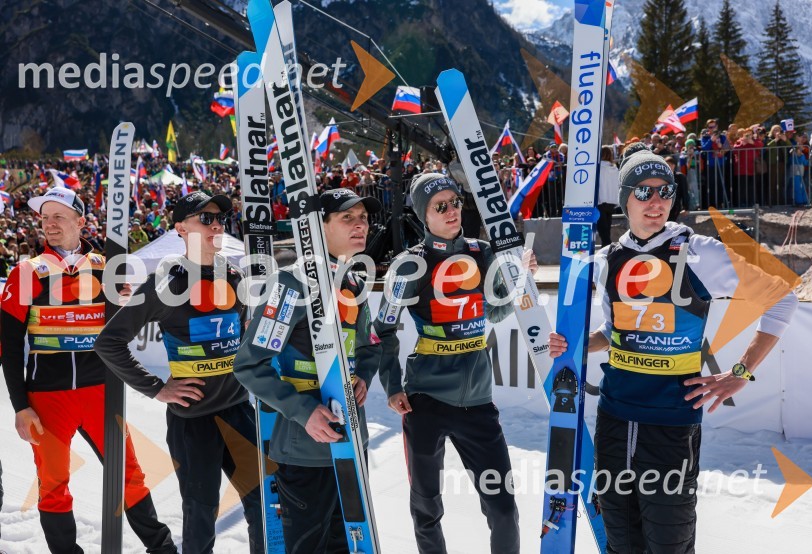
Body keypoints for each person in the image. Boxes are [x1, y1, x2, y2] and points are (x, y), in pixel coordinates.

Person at [548, 150, 797, 553]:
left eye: (665, 191)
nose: (656, 201)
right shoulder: (606, 260)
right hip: (613, 421)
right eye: (643, 192)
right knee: (620, 543)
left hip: (671, 426)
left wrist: (741, 372)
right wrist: (573, 344)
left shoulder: (700, 252)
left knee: (669, 544)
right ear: (625, 198)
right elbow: (614, 333)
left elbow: (783, 300)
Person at [1, 187, 176, 554]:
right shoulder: (26, 272)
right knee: (52, 484)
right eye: (45, 217)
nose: (49, 224)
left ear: (80, 221)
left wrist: (125, 304)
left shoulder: (105, 266)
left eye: (58, 216)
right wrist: (20, 406)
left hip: (101, 390)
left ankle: (161, 549)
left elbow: (124, 328)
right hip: (48, 398)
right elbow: (9, 346)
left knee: (129, 474)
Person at [374, 173, 537, 554]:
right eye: (440, 206)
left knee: (503, 508)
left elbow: (492, 314)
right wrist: (393, 385)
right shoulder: (409, 265)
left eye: (454, 202)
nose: (451, 211)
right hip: (425, 400)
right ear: (423, 215)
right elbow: (382, 328)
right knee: (426, 507)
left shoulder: (483, 253)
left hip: (478, 402)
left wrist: (518, 278)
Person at [94, 190, 264, 553]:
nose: (216, 224)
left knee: (263, 507)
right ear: (180, 229)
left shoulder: (235, 276)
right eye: (205, 218)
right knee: (201, 517)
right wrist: (157, 389)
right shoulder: (164, 282)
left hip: (238, 412)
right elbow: (109, 342)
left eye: (220, 218)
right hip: (193, 423)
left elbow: (244, 335)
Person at [233, 188, 383, 553]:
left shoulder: (353, 282)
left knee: (346, 545)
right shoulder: (291, 285)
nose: (360, 225)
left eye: (363, 217)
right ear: (319, 226)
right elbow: (249, 366)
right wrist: (303, 412)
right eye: (347, 218)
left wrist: (363, 374)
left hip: (350, 443)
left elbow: (369, 347)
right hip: (305, 450)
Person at [597, 145, 620, 247]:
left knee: (602, 229)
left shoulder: (598, 168)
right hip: (612, 200)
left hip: (600, 200)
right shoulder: (615, 168)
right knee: (607, 228)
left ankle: (607, 248)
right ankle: (607, 248)